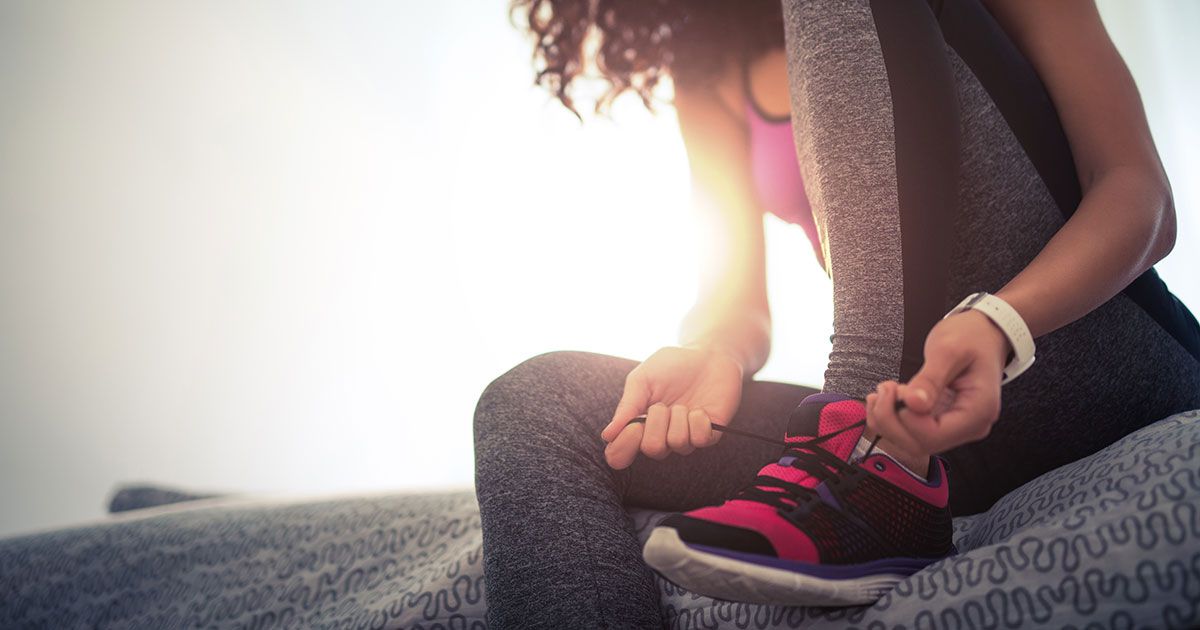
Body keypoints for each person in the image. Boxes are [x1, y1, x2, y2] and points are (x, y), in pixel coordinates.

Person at [474, 0, 1200, 627]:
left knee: (860, 422)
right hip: (913, 423)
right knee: (538, 405)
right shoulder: (708, 62)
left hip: (1092, 366)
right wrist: (715, 352)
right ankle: (866, 462)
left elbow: (1140, 195)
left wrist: (997, 322)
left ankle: (859, 453)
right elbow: (735, 297)